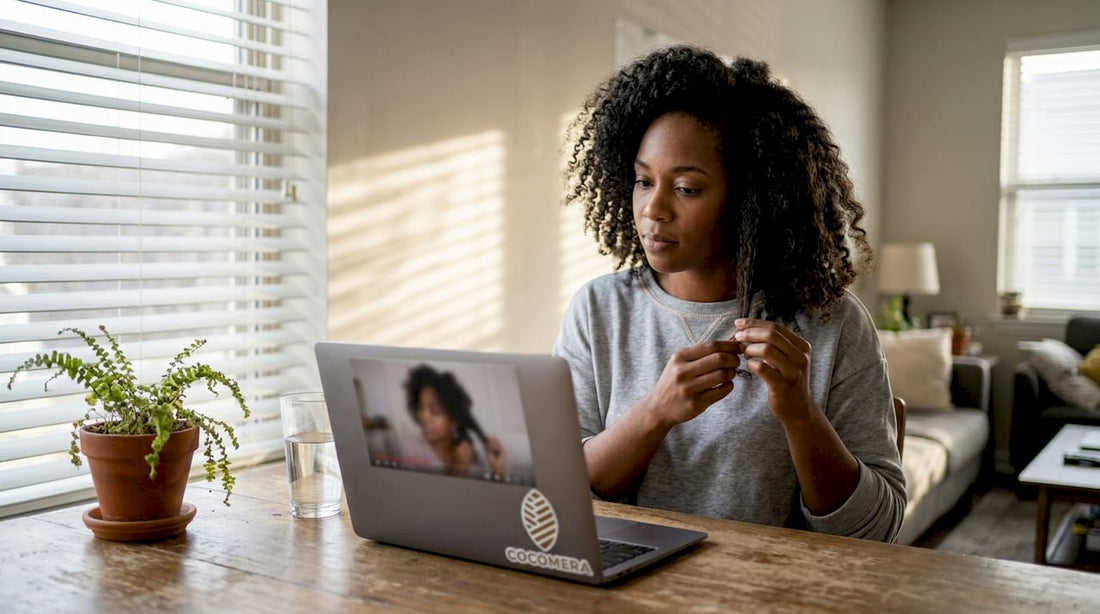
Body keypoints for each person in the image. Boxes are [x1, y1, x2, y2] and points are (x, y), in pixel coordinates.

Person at [553, 45, 905, 542]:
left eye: (687, 189)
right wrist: (654, 413)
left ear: (750, 199)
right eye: (642, 181)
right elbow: (559, 495)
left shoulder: (833, 324)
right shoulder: (598, 311)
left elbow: (875, 530)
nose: (653, 209)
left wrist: (799, 412)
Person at [403, 364, 506, 480]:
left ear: (454, 419)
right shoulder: (411, 451)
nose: (423, 416)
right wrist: (458, 472)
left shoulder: (470, 455)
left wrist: (497, 470)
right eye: (421, 408)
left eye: (435, 410)